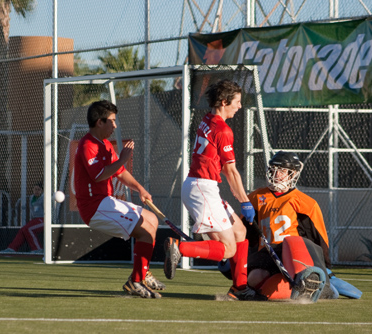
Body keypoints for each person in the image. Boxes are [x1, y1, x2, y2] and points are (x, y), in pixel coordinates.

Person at [164, 79, 266, 301]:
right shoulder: (223, 129)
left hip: (201, 187)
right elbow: (231, 172)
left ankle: (240, 288)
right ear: (223, 101)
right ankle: (179, 249)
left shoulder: (207, 119)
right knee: (228, 249)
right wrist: (245, 201)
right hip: (202, 188)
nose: (240, 106)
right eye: (237, 102)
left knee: (239, 232)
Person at [74, 100, 164, 299]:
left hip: (105, 202)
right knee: (145, 232)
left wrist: (140, 189)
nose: (115, 125)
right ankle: (136, 281)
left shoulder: (105, 144)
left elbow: (120, 172)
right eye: (112, 121)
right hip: (94, 207)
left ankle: (142, 272)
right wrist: (123, 158)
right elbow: (99, 175)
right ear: (99, 122)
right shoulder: (88, 144)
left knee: (153, 220)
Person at [242, 151, 331, 295]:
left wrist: (325, 266)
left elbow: (319, 239)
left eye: (282, 171)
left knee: (302, 269)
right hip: (267, 254)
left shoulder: (306, 203)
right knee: (254, 278)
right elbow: (243, 231)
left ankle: (321, 284)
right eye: (274, 170)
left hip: (292, 254)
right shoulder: (256, 197)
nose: (277, 175)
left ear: (293, 174)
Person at [1, 182, 45, 254]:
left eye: (39, 190)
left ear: (42, 191)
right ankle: (12, 248)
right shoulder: (31, 198)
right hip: (35, 219)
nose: (36, 191)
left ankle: (37, 248)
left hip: (43, 219)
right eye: (35, 189)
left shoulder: (44, 198)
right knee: (23, 229)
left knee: (29, 229)